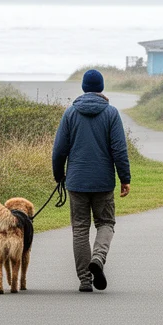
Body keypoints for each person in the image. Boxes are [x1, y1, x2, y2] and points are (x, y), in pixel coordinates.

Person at [51, 69, 131, 292]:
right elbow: (119, 150)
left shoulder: (70, 114)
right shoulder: (111, 113)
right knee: (106, 223)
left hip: (76, 181)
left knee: (80, 229)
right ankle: (98, 257)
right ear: (101, 88)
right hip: (103, 182)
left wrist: (59, 175)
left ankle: (85, 280)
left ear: (84, 88)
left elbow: (58, 151)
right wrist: (125, 178)